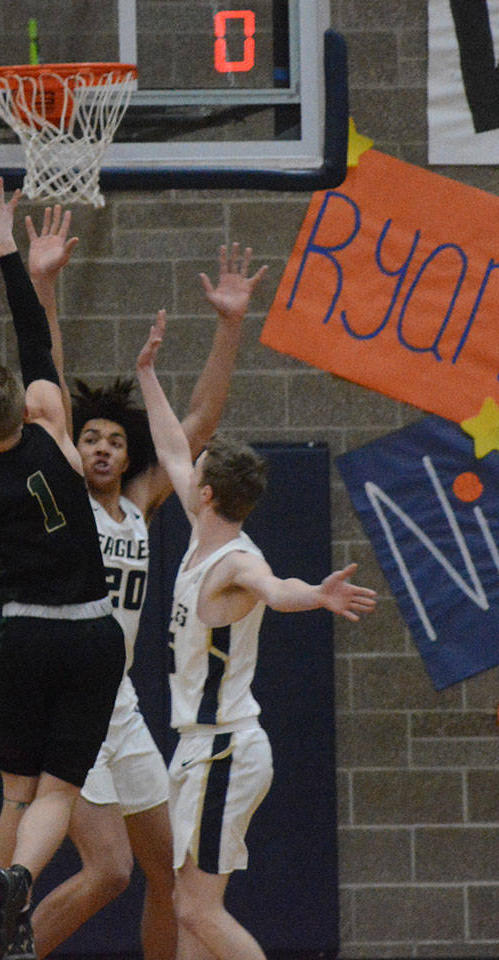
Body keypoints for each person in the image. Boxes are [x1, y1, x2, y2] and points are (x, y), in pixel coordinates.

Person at [21, 225, 267, 960]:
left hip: (120, 703)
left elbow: (198, 425)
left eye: (113, 441)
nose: (99, 446)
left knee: (169, 878)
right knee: (110, 872)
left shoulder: (141, 505)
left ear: (129, 456)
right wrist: (43, 285)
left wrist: (229, 328)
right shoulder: (62, 496)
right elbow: (46, 391)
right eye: (89, 436)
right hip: (67, 698)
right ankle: (11, 947)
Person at [135, 310, 378, 960]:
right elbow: (170, 448)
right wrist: (146, 374)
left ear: (207, 495)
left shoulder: (236, 562)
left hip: (225, 750)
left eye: (199, 472)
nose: (188, 472)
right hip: (196, 750)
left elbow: (276, 588)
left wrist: (315, 596)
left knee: (195, 908)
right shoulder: (200, 520)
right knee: (189, 912)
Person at [0, 176, 125, 960]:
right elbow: (35, 343)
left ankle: (6, 902)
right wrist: (10, 248)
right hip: (93, 636)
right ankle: (17, 886)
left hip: (27, 639)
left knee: (18, 789)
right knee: (61, 791)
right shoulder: (54, 427)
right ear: (24, 406)